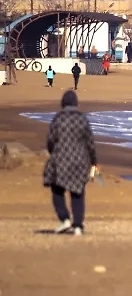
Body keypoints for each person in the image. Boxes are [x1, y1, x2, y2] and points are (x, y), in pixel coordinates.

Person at [43, 90, 98, 236]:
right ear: (76, 103)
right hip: (80, 161)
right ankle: (78, 226)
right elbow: (90, 142)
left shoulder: (58, 119)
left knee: (57, 189)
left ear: (63, 103)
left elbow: (50, 140)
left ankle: (65, 218)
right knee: (77, 193)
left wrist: (53, 152)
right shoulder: (82, 119)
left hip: (60, 159)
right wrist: (93, 160)